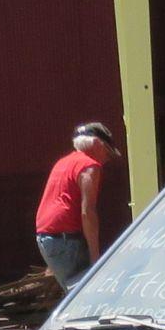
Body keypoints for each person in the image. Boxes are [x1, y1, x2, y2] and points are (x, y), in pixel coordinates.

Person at [35, 123, 119, 290]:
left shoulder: (63, 162)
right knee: (85, 295)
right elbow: (88, 212)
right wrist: (96, 259)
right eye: (108, 152)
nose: (107, 159)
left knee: (75, 292)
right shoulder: (89, 166)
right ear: (96, 144)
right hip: (66, 240)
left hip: (47, 238)